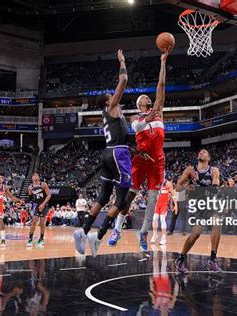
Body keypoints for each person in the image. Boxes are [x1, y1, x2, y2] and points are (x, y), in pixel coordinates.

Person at [73, 50, 135, 257]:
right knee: (121, 199)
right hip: (119, 154)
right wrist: (122, 62)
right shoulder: (112, 107)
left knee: (102, 196)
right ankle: (98, 236)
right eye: (111, 95)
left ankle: (83, 232)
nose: (113, 94)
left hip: (108, 153)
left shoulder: (106, 115)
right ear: (107, 101)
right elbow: (124, 79)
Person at [109, 47, 171, 251]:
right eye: (144, 97)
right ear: (139, 104)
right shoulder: (136, 118)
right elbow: (134, 132)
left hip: (158, 160)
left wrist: (163, 61)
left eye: (148, 97)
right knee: (129, 196)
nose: (148, 98)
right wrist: (147, 122)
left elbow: (161, 85)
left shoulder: (158, 111)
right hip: (141, 160)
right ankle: (117, 229)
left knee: (152, 199)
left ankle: (143, 233)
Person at [174, 149, 222, 273]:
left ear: (209, 158)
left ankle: (212, 260)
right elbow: (178, 187)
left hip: (210, 204)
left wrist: (198, 182)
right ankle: (181, 258)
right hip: (197, 206)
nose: (201, 152)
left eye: (204, 152)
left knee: (217, 224)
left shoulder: (214, 170)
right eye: (200, 151)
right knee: (196, 234)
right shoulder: (190, 170)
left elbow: (215, 189)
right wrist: (187, 186)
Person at [27, 173, 51, 247]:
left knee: (42, 222)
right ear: (32, 178)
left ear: (39, 177)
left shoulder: (43, 184)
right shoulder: (30, 187)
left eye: (37, 175)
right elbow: (30, 198)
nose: (35, 177)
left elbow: (49, 195)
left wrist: (43, 204)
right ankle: (30, 239)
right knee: (33, 221)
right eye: (34, 176)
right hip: (36, 205)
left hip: (44, 204)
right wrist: (30, 206)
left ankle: (41, 239)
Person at [151, 179, 177, 245]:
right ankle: (155, 235)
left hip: (164, 204)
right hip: (157, 204)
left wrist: (176, 205)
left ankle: (163, 238)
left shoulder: (168, 183)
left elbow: (173, 195)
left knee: (162, 219)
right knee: (154, 219)